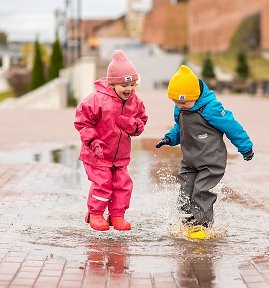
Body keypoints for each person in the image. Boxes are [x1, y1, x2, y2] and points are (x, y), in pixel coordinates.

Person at [156, 65, 254, 228]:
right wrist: (169, 138)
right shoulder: (180, 109)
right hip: (190, 160)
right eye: (176, 102)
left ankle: (202, 226)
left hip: (211, 161)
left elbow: (232, 126)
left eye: (183, 102)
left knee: (201, 192)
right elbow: (180, 128)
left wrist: (245, 147)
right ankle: (187, 223)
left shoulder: (211, 108)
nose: (179, 105)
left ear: (194, 95)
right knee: (185, 192)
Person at [74, 50, 148, 231]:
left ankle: (117, 215)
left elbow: (141, 121)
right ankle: (96, 214)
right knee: (103, 183)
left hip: (120, 155)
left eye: (132, 85)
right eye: (124, 85)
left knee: (123, 185)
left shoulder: (135, 102)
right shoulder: (96, 100)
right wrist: (93, 141)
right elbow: (82, 122)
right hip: (97, 154)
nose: (129, 89)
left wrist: (131, 124)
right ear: (113, 83)